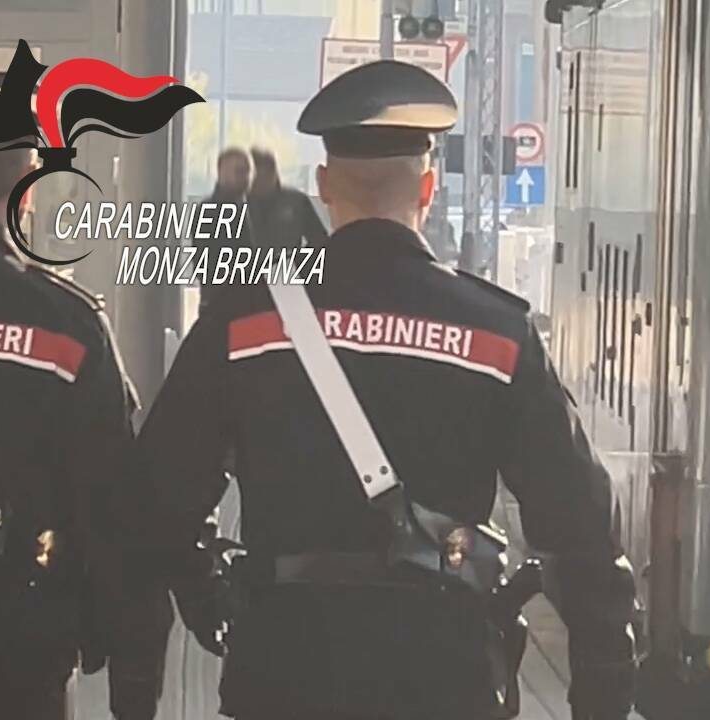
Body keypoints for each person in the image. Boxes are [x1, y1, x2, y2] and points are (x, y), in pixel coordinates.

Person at [134, 60, 638, 720]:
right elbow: (580, 525)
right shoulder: (497, 331)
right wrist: (602, 685)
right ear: (427, 188)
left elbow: (157, 498)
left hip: (282, 671)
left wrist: (206, 602)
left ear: (322, 186)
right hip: (445, 675)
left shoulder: (245, 325)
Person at [0, 73, 172, 720]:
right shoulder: (66, 328)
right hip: (12, 663)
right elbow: (114, 515)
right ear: (26, 193)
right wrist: (131, 680)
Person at [197, 146, 255, 312]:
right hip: (221, 304)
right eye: (239, 171)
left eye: (247, 172)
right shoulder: (210, 211)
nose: (245, 178)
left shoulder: (246, 208)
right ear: (222, 173)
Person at [248, 146, 329, 249]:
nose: (260, 180)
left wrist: (300, 261)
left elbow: (319, 240)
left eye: (266, 173)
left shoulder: (296, 201)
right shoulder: (236, 203)